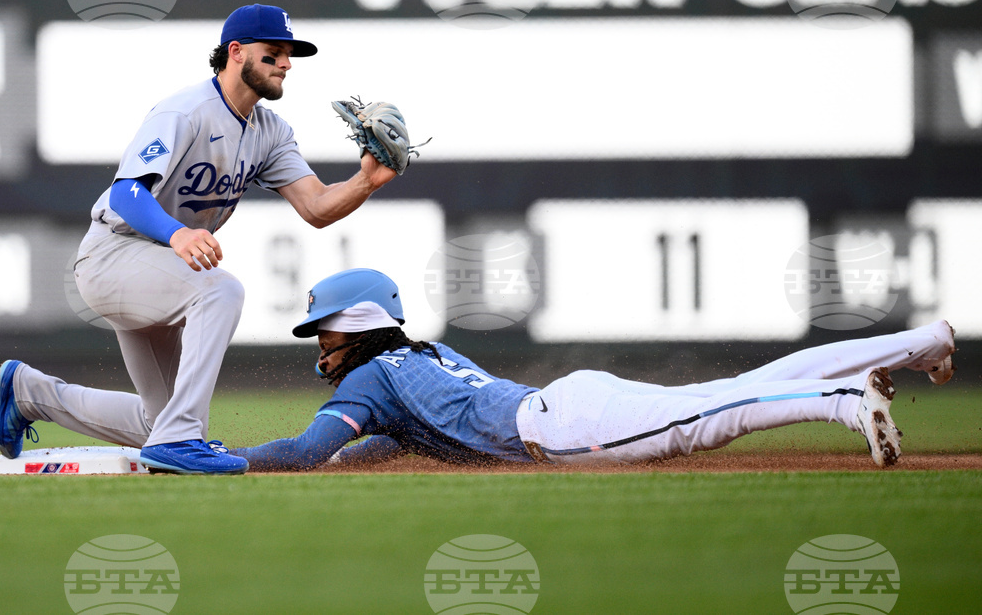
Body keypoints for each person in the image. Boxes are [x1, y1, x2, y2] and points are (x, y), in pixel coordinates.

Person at [0, 5, 398, 475]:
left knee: (159, 422)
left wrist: (366, 181)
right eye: (274, 52)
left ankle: (29, 392)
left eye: (290, 55)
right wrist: (177, 232)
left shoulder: (270, 131)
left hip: (161, 269)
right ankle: (179, 438)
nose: (286, 63)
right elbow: (126, 192)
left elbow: (317, 207)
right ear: (236, 52)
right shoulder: (186, 111)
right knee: (220, 290)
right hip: (113, 256)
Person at [216, 268, 955, 471]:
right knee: (737, 390)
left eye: (324, 331)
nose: (319, 346)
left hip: (564, 428)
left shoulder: (367, 380)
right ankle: (921, 342)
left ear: (356, 326)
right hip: (564, 403)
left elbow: (305, 451)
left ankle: (845, 400)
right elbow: (389, 442)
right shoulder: (417, 358)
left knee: (708, 420)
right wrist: (349, 460)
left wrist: (223, 459)